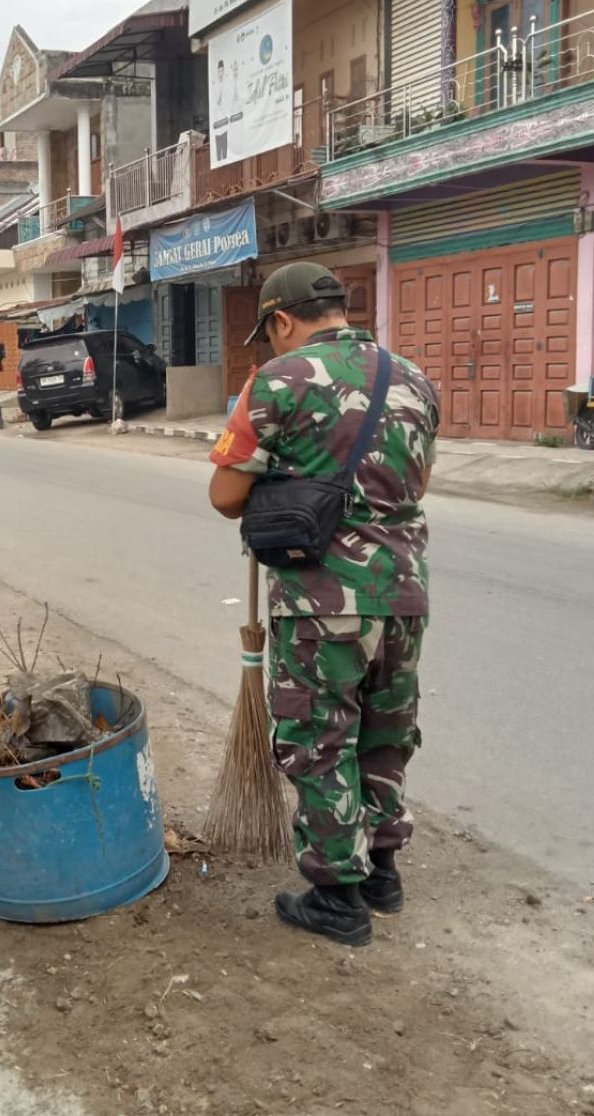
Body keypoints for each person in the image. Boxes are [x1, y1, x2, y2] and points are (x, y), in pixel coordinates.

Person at [207, 262, 440, 949]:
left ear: (281, 320)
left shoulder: (274, 382)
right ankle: (384, 873)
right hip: (404, 593)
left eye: (268, 332)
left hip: (322, 600)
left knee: (320, 739)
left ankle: (338, 898)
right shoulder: (415, 379)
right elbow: (416, 480)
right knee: (386, 730)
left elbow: (224, 497)